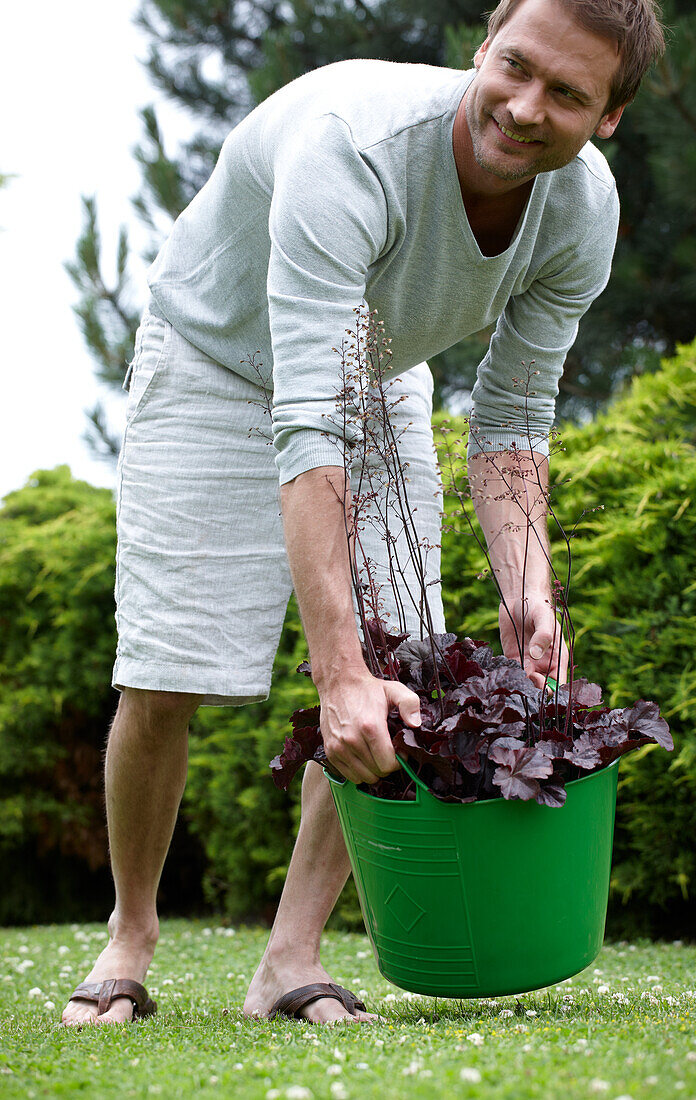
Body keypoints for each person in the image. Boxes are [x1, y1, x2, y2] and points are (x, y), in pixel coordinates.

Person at [61, 0, 665, 1026]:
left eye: (565, 93)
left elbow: (514, 418)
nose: (523, 108)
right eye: (514, 67)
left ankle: (291, 960)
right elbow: (307, 423)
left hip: (376, 368)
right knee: (169, 671)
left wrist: (528, 595)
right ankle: (130, 932)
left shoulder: (580, 211)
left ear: (608, 115)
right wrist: (331, 672)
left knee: (397, 663)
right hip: (215, 358)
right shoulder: (355, 146)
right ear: (483, 45)